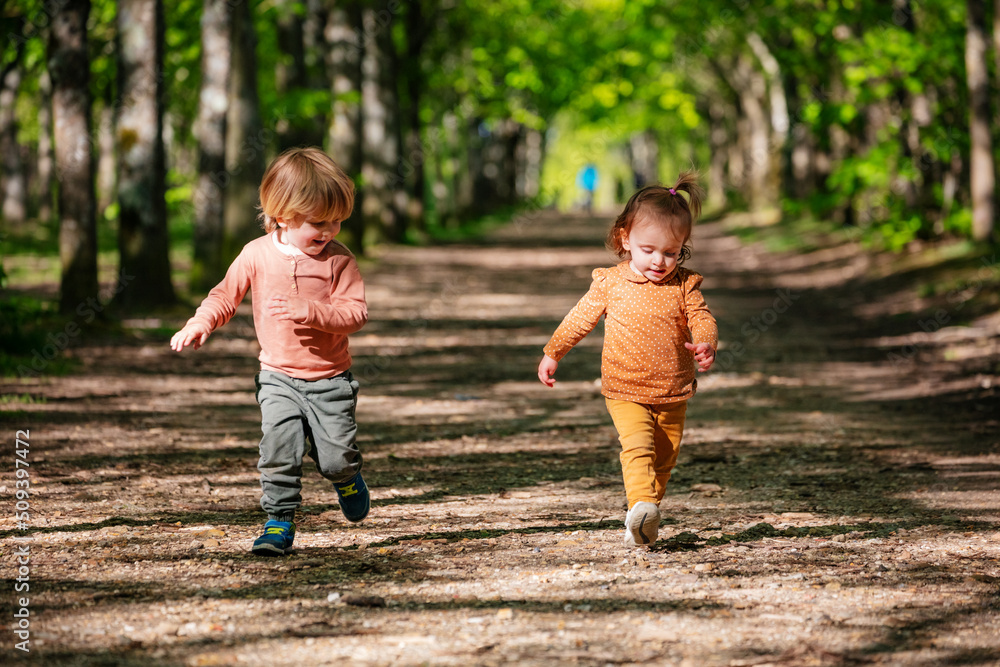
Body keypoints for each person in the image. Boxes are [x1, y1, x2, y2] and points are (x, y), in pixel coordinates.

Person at [171, 147, 370, 557]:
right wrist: (201, 322)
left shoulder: (339, 261)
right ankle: (278, 521)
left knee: (335, 459)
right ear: (282, 215)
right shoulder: (256, 254)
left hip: (330, 378)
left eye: (337, 221)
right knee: (279, 449)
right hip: (277, 376)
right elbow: (225, 294)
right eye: (320, 222)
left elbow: (355, 313)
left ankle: (347, 478)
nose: (331, 230)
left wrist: (310, 311)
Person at [537, 172, 718, 548]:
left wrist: (706, 342)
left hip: (673, 390)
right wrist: (554, 352)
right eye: (649, 249)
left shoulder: (684, 284)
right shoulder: (611, 283)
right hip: (625, 388)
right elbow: (580, 318)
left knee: (665, 458)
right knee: (638, 448)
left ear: (682, 247)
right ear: (625, 239)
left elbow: (702, 317)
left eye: (671, 252)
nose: (659, 261)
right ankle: (641, 504)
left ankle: (643, 519)